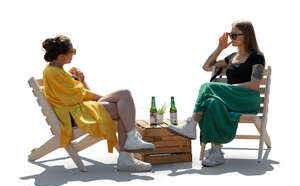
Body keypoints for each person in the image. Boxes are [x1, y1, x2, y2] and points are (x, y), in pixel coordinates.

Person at [42, 35, 155, 172]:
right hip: (74, 114)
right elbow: (78, 96)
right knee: (124, 99)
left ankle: (129, 146)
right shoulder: (53, 73)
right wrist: (106, 98)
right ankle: (129, 148)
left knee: (123, 101)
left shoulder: (57, 70)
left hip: (78, 108)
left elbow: (78, 93)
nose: (73, 55)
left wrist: (79, 78)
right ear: (61, 55)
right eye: (72, 51)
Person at [168, 20, 265, 167]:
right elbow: (206, 67)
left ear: (246, 36)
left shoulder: (256, 56)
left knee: (208, 86)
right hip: (230, 100)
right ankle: (216, 151)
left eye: (234, 35)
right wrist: (219, 48)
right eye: (230, 34)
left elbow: (254, 85)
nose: (230, 38)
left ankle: (191, 122)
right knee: (211, 103)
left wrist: (227, 89)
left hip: (247, 99)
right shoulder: (232, 57)